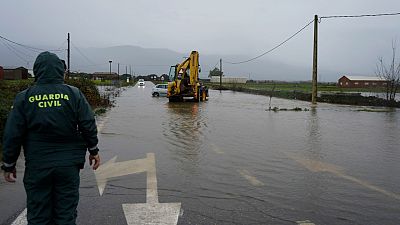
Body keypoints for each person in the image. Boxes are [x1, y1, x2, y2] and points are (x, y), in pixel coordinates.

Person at [1, 51, 100, 225]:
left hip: (38, 165)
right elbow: (88, 123)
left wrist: (9, 164)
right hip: (68, 166)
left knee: (38, 215)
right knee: (65, 214)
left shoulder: (24, 98)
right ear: (60, 70)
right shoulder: (73, 94)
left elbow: (12, 134)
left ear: (37, 71)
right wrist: (93, 150)